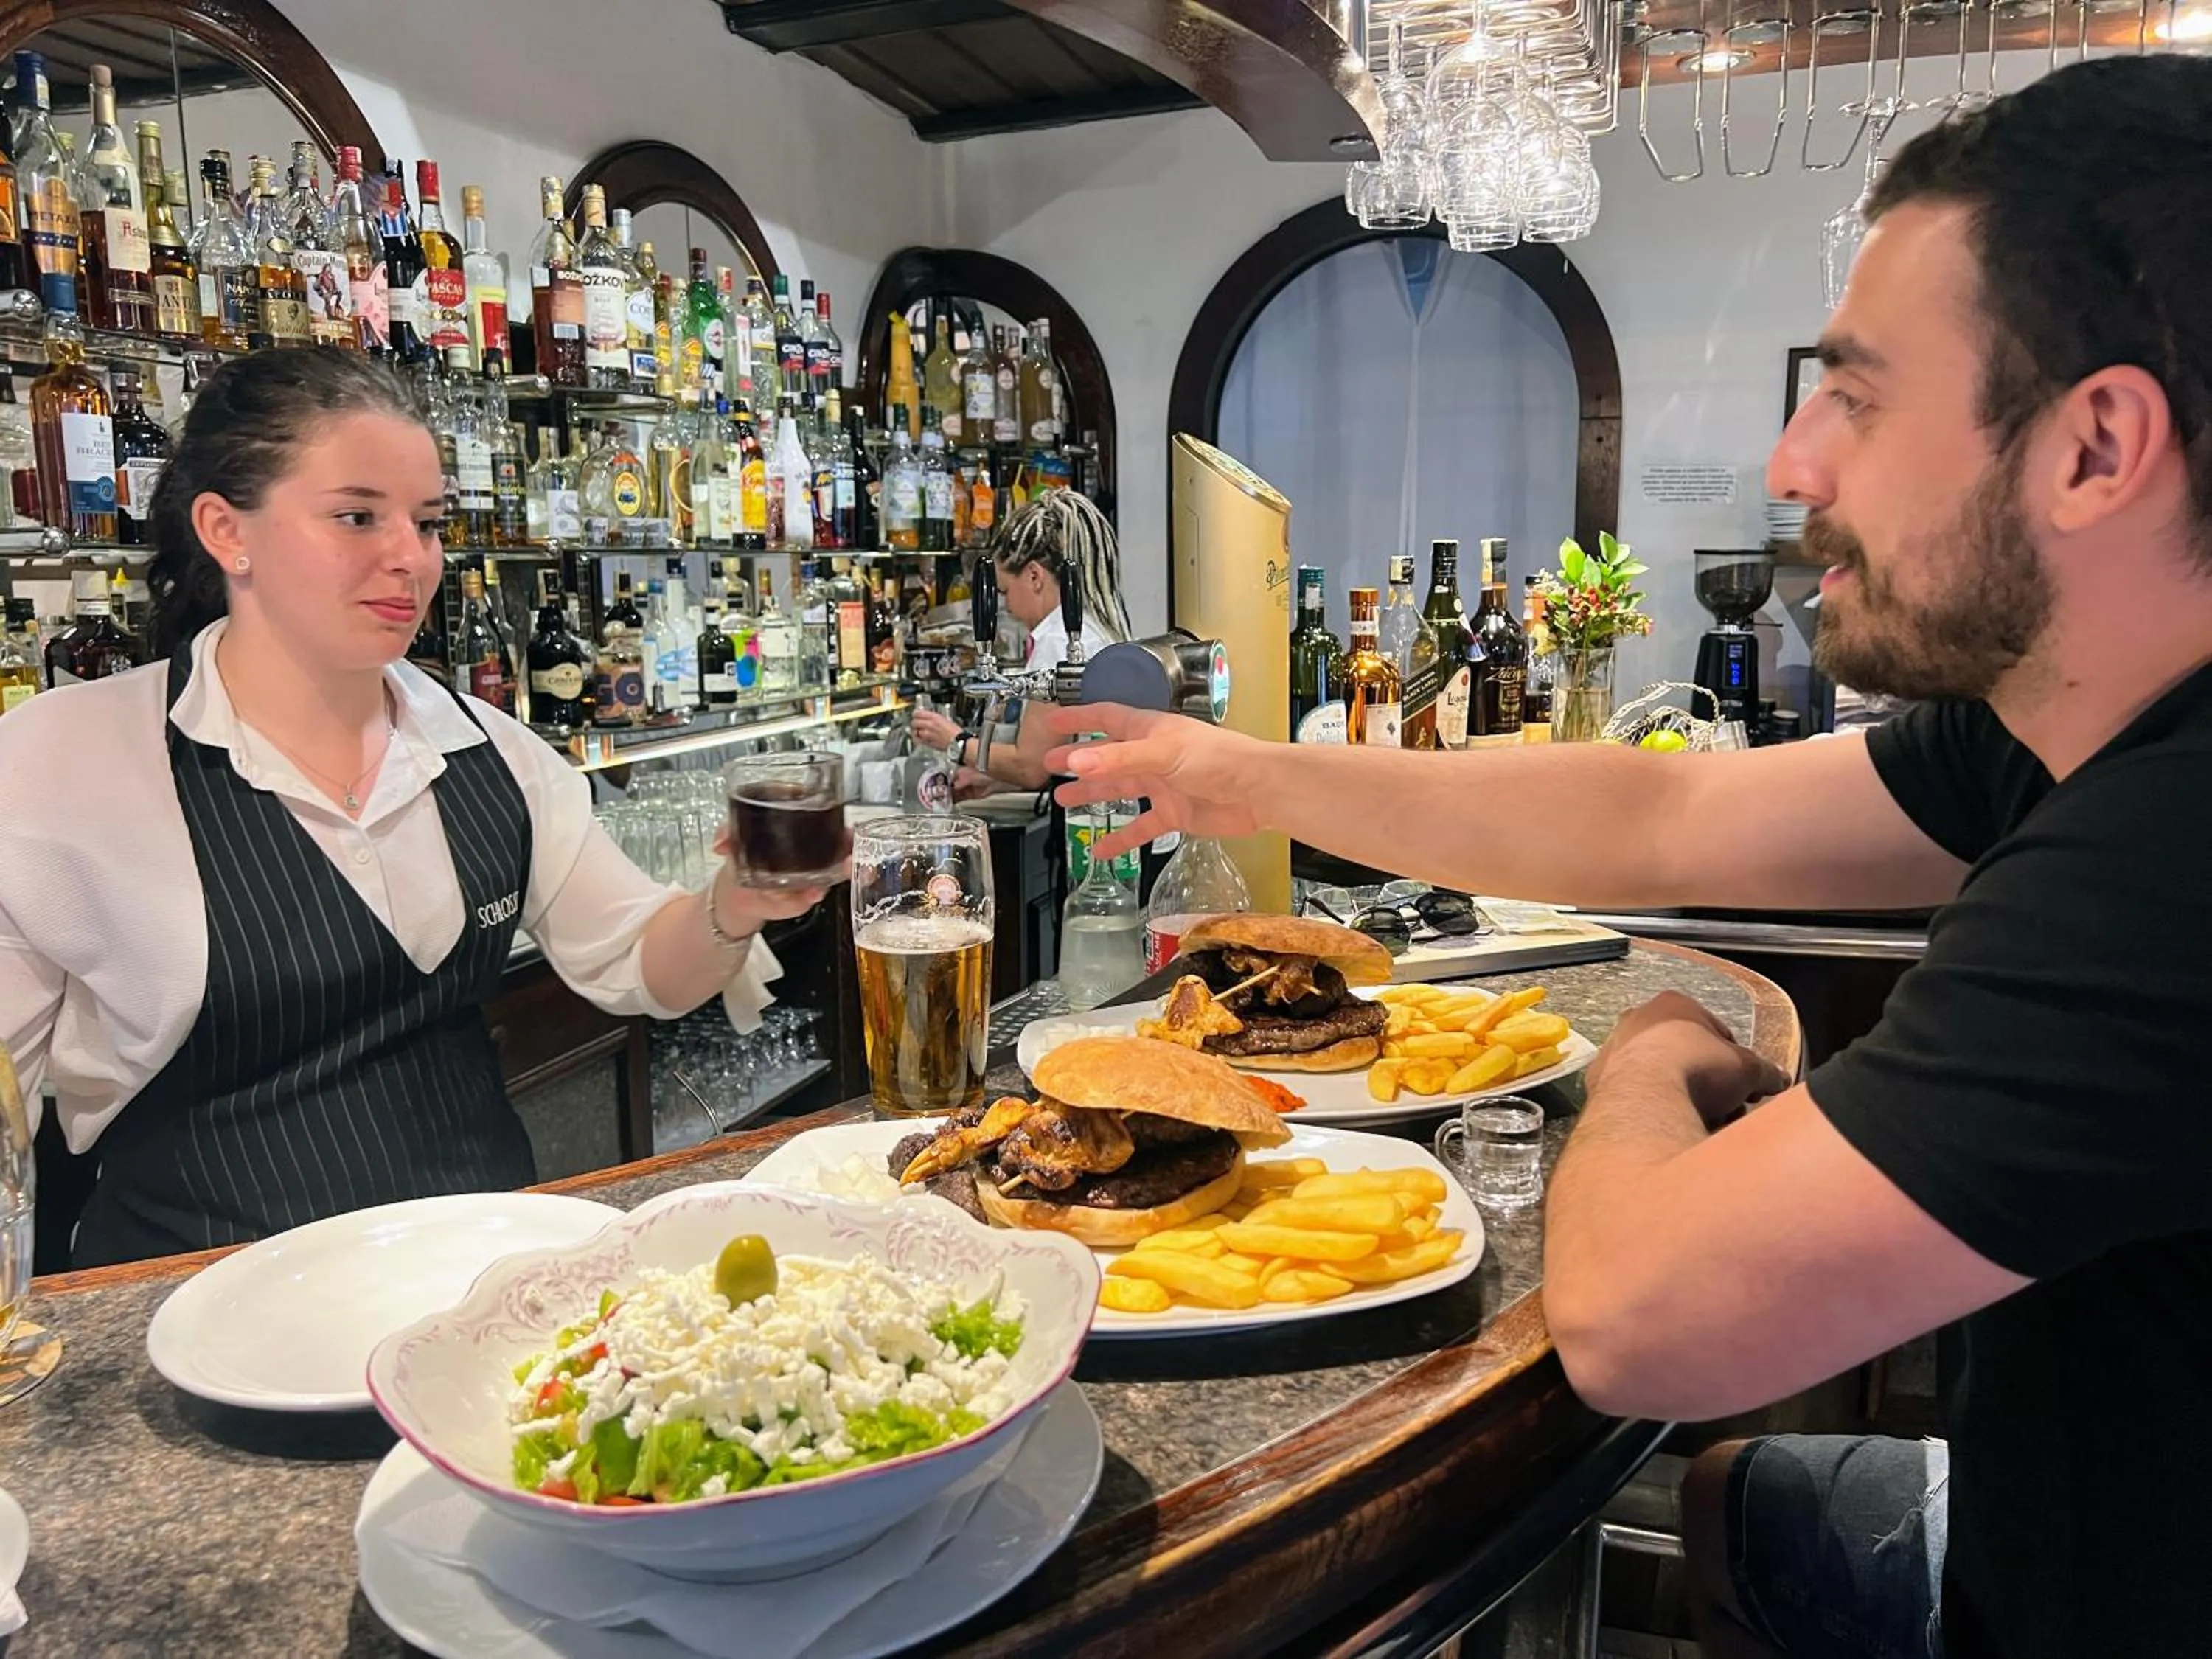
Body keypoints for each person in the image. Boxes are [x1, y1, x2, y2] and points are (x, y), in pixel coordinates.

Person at [1043, 55, 2212, 1659]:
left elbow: (1634, 1320)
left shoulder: (2169, 854)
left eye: (1857, 397)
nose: (1797, 464)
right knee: (1748, 1500)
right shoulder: (2064, 724)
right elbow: (1661, 816)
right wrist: (1241, 770)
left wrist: (1657, 1061)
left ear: (2097, 448)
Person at [0, 350, 830, 1268]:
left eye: (427, 523)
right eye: (357, 516)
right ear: (225, 532)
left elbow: (642, 965)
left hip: (481, 1287)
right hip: (195, 1308)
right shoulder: (63, 766)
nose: (410, 558)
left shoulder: (491, 750)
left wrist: (736, 900)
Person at [911, 488, 1128, 796]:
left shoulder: (1060, 642)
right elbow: (1059, 757)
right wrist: (993, 780)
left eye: (1005, 592)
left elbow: (1032, 767)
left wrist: (954, 742)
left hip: (1097, 816)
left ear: (1035, 577)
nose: (1007, 608)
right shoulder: (1097, 626)